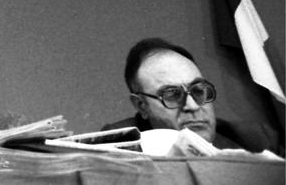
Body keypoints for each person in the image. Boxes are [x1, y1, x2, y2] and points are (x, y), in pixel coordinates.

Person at [102, 37, 281, 152]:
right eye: (172, 94)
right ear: (142, 106)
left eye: (197, 91)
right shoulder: (115, 148)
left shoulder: (256, 142)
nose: (193, 106)